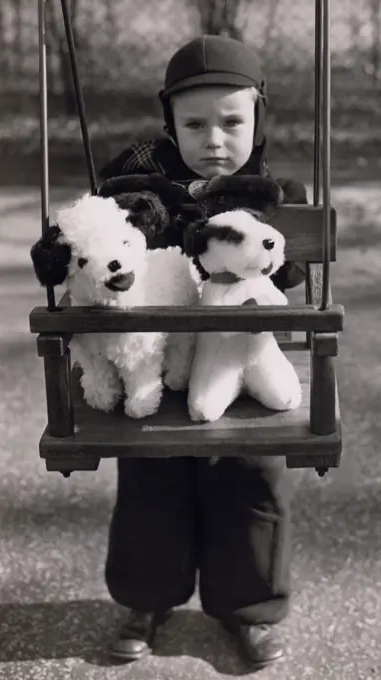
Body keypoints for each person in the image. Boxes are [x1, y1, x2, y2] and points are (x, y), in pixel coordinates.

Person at [100, 34, 305, 670]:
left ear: (258, 121)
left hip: (241, 370)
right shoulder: (145, 190)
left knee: (248, 484)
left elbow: (293, 274)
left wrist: (274, 236)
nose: (213, 139)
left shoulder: (270, 192)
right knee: (149, 482)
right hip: (158, 368)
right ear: (169, 125)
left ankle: (250, 609)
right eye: (194, 123)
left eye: (232, 122)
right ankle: (146, 598)